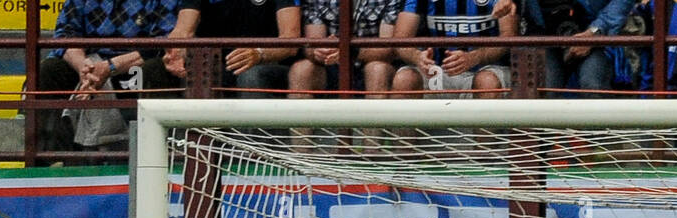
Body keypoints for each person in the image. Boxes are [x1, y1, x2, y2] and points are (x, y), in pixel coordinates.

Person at [35, 0, 182, 155]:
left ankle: (152, 155)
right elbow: (65, 34)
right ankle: (49, 158)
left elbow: (164, 41)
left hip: (134, 63)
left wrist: (110, 67)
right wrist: (83, 68)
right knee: (48, 70)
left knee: (155, 69)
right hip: (89, 62)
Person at [158, 0, 302, 97]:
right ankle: (192, 141)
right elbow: (183, 30)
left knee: (251, 76)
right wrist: (175, 51)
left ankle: (250, 142)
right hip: (218, 65)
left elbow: (290, 40)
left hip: (269, 65)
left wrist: (259, 53)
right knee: (193, 71)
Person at [391, 0, 517, 97]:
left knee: (487, 81)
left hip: (485, 69)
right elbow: (401, 40)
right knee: (405, 79)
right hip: (436, 73)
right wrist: (417, 57)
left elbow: (508, 36)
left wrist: (476, 57)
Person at [289, 0, 403, 100]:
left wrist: (347, 51)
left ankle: (372, 124)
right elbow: (313, 44)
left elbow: (387, 48)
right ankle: (301, 125)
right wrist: (320, 51)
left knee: (377, 69)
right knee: (301, 70)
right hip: (330, 65)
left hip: (370, 62)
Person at [523, 0, 638, 98]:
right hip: (541, 34)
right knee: (542, 94)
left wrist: (596, 31)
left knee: (593, 87)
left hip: (595, 33)